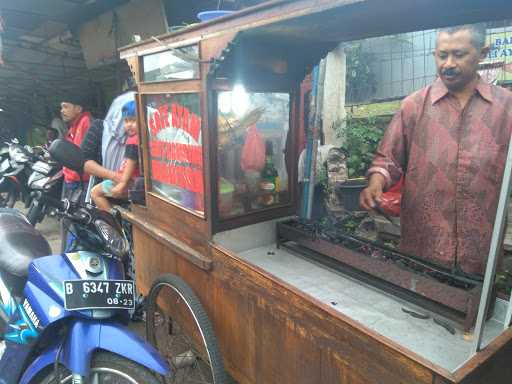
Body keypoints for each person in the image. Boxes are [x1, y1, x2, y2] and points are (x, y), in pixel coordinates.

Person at [360, 24, 512, 276]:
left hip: (481, 246)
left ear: (483, 53)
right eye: (442, 55)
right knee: (419, 307)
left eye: (459, 54)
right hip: (425, 242)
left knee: (475, 310)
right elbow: (388, 158)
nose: (448, 64)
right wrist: (376, 184)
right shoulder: (414, 106)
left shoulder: (505, 107)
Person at [90, 101, 140, 212]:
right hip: (133, 182)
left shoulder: (133, 141)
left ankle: (112, 219)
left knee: (95, 192)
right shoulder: (139, 138)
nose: (129, 124)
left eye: (133, 120)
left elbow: (131, 162)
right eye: (126, 121)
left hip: (129, 182)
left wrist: (122, 183)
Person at [59, 96, 92, 251]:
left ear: (78, 108)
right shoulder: (74, 126)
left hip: (80, 183)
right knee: (68, 222)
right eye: (61, 107)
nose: (62, 111)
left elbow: (80, 156)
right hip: (72, 181)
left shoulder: (85, 122)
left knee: (75, 224)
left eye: (65, 106)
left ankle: (71, 255)